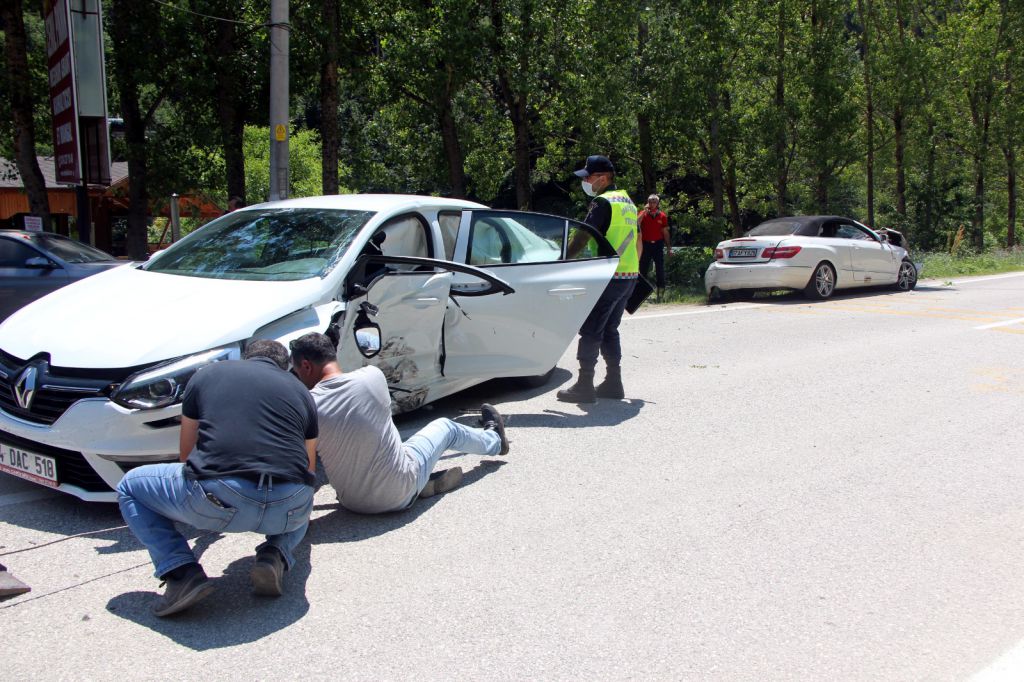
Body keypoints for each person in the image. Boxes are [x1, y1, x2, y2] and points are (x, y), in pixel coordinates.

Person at [116, 340, 318, 617]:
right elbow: (307, 467)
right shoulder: (302, 392)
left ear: (246, 358)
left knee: (130, 486)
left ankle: (180, 572)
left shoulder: (208, 374)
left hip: (221, 495)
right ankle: (276, 553)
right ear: (285, 367)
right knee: (302, 490)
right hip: (289, 508)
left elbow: (186, 455)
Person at [289, 332, 509, 514]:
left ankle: (418, 483)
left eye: (297, 372)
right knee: (446, 427)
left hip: (352, 503)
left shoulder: (307, 406)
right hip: (399, 490)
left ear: (306, 366)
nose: (300, 379)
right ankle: (495, 440)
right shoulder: (372, 377)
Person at [557, 155, 640, 404]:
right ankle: (614, 382)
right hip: (628, 274)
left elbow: (583, 236)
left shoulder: (602, 202)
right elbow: (637, 240)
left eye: (589, 177)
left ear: (603, 178)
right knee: (610, 329)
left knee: (592, 329)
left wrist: (562, 260)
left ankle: (584, 385)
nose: (586, 182)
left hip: (608, 276)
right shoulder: (628, 202)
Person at [638, 194, 671, 302]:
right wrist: (644, 212)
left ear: (657, 203)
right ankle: (641, 295)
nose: (652, 204)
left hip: (658, 244)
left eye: (654, 202)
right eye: (650, 201)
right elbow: (636, 223)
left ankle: (660, 294)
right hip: (645, 244)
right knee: (643, 269)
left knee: (660, 269)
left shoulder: (662, 216)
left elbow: (665, 232)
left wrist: (669, 247)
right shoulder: (643, 214)